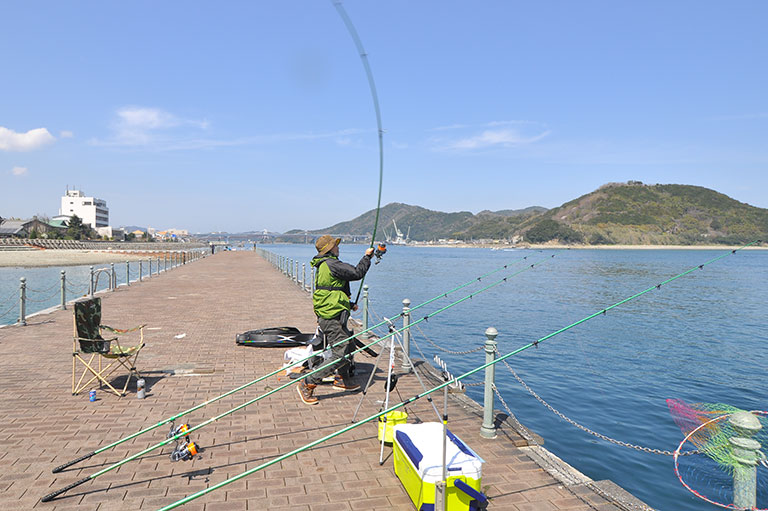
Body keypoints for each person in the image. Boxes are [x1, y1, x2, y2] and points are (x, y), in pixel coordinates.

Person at [298, 235, 374, 405]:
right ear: (329, 249)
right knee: (340, 351)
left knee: (349, 345)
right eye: (335, 245)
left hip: (333, 312)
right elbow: (357, 273)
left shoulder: (325, 264)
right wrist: (367, 257)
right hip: (331, 315)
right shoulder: (331, 264)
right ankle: (308, 382)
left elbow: (331, 289)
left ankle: (342, 379)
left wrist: (349, 304)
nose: (338, 247)